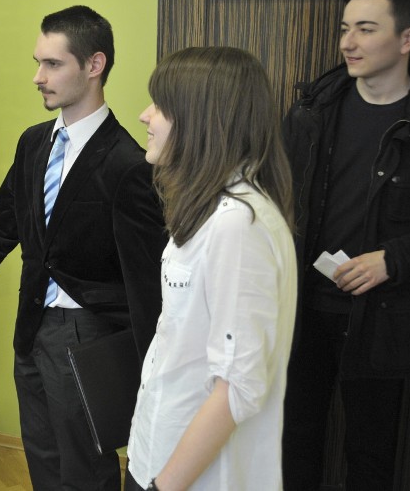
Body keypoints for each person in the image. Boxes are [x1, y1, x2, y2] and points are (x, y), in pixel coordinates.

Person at [0, 5, 167, 490]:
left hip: (89, 334)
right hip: (33, 326)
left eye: (52, 64)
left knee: (86, 469)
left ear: (94, 65)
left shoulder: (129, 164)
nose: (38, 77)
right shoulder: (33, 143)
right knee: (43, 457)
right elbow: (3, 227)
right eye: (38, 62)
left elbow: (147, 277)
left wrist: (152, 366)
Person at [126, 46, 297, 491]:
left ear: (201, 118)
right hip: (160, 447)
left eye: (161, 106)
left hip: (195, 475)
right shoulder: (210, 209)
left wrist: (164, 487)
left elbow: (237, 387)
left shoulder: (239, 224)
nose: (146, 116)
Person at [281, 0, 410, 491]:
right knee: (294, 441)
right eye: (345, 29)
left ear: (408, 38)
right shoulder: (313, 109)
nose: (347, 43)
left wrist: (395, 258)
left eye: (365, 29)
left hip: (382, 318)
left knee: (371, 453)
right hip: (304, 308)